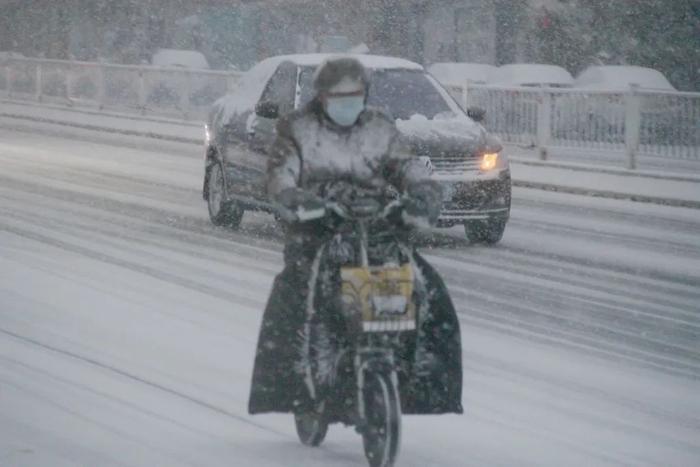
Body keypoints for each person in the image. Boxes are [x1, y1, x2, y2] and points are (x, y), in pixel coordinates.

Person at [248, 57, 462, 416]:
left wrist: (423, 195)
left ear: (365, 94)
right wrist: (296, 200)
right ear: (322, 96)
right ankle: (294, 389)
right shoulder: (297, 129)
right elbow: (279, 177)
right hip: (317, 231)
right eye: (339, 95)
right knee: (295, 299)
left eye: (355, 94)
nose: (347, 102)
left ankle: (421, 384)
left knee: (428, 292)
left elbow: (407, 167)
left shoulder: (379, 128)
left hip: (376, 228)